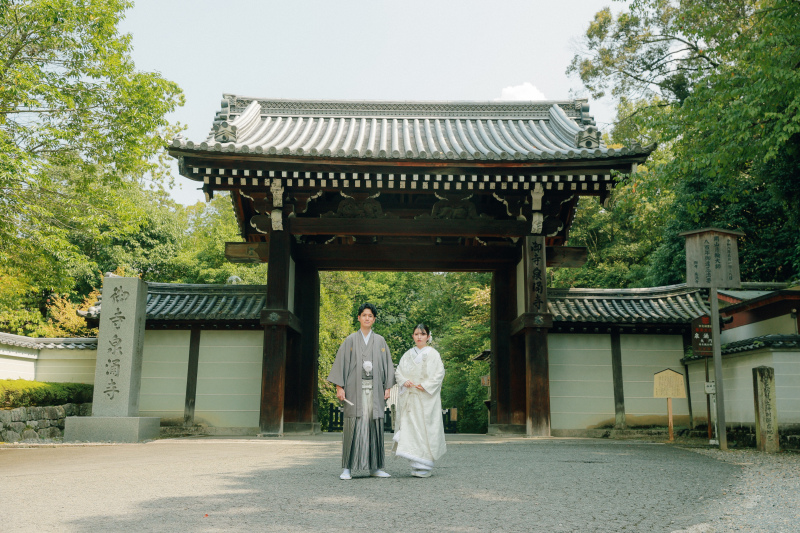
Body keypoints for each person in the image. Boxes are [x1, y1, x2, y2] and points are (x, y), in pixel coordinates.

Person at [327, 303, 395, 480]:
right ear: (358, 318)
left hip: (375, 391)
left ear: (374, 319)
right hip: (354, 390)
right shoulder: (350, 340)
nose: (367, 318)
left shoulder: (380, 341)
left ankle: (375, 467)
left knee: (375, 426)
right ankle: (347, 468)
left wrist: (388, 387)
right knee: (353, 425)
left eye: (370, 316)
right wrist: (339, 387)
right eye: (364, 315)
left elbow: (387, 364)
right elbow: (341, 363)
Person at [392, 323, 446, 477]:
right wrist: (404, 381)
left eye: (422, 334)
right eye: (416, 334)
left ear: (428, 337)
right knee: (410, 430)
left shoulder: (433, 354)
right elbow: (398, 372)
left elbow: (439, 374)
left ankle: (425, 464)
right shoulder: (407, 354)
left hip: (426, 398)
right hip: (410, 398)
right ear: (413, 336)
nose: (419, 337)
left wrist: (426, 385)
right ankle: (416, 464)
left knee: (425, 429)